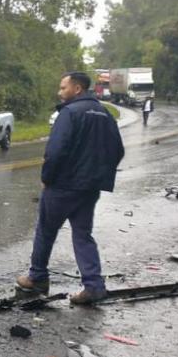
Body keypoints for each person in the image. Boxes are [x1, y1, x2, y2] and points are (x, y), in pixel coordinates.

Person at [16, 71, 125, 305]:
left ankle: (37, 278)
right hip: (89, 189)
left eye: (63, 87)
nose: (59, 92)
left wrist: (47, 177)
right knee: (83, 235)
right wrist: (98, 175)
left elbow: (56, 151)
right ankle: (94, 286)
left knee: (46, 231)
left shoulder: (69, 113)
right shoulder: (105, 115)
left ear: (77, 89)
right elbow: (118, 150)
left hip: (63, 186)